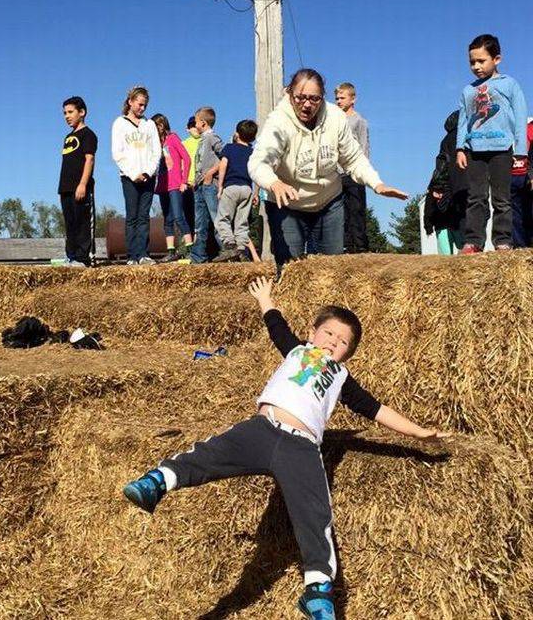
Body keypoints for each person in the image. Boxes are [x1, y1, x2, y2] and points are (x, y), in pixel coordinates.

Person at [123, 276, 449, 620]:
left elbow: (376, 409)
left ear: (347, 355)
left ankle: (318, 591)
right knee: (209, 454)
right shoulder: (297, 349)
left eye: (342, 343)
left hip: (302, 447)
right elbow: (276, 327)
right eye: (329, 334)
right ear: (313, 333)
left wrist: (418, 433)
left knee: (315, 514)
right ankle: (157, 482)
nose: (333, 343)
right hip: (262, 430)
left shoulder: (340, 377)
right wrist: (266, 299)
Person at [248, 68, 407, 270]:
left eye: (314, 99)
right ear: (290, 94)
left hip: (329, 203)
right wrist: (274, 183)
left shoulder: (335, 118)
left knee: (331, 270)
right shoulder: (278, 122)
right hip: (288, 205)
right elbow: (258, 162)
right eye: (300, 98)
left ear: (322, 97)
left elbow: (354, 158)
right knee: (290, 270)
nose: (306, 105)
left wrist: (377, 183)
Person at [455, 34, 528, 253]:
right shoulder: (468, 90)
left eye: (481, 61)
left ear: (496, 59)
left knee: (501, 199)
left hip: (501, 150)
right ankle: (474, 241)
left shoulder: (509, 84)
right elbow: (463, 120)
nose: (476, 66)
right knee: (476, 198)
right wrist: (460, 147)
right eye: (472, 62)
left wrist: (521, 151)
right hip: (474, 151)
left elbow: (520, 116)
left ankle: (503, 240)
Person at [111, 86, 161, 265]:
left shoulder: (150, 125)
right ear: (130, 102)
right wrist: (133, 174)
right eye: (139, 104)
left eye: (145, 106)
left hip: (148, 176)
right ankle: (132, 255)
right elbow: (117, 153)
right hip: (129, 177)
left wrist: (148, 171)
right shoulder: (120, 123)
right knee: (132, 215)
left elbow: (156, 151)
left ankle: (143, 254)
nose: (142, 108)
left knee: (144, 215)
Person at [58, 96, 98, 267]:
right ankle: (71, 256)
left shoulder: (88, 134)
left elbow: (89, 160)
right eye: (64, 113)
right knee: (70, 224)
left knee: (82, 223)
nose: (67, 116)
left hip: (80, 187)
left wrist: (82, 184)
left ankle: (83, 258)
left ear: (82, 112)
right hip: (65, 187)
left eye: (70, 112)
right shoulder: (68, 137)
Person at [423, 111, 468, 255]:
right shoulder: (469, 137)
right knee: (465, 245)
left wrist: (428, 224)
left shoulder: (446, 140)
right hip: (466, 190)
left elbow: (430, 201)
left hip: (445, 216)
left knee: (445, 255)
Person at [213, 119, 258, 262]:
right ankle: (241, 249)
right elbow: (257, 173)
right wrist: (255, 192)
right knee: (242, 222)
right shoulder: (253, 152)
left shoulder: (230, 148)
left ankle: (230, 245)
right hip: (246, 189)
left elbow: (223, 166)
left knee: (222, 219)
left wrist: (220, 187)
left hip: (231, 187)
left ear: (237, 134)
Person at [151, 113, 193, 262]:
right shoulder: (156, 144)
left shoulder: (173, 138)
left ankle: (190, 249)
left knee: (178, 216)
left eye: (155, 127)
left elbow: (186, 158)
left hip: (175, 184)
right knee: (167, 220)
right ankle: (171, 251)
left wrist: (184, 181)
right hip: (162, 185)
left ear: (161, 126)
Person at [334, 82, 370, 253]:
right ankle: (347, 245)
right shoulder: (335, 121)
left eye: (342, 97)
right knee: (342, 211)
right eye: (337, 98)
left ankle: (360, 245)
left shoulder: (359, 121)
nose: (338, 101)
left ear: (353, 99)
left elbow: (364, 146)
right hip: (337, 173)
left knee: (356, 209)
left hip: (355, 171)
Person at [190, 106, 224, 264]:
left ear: (203, 123)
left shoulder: (212, 137)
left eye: (196, 121)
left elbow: (225, 156)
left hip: (210, 185)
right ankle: (198, 256)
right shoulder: (202, 140)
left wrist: (211, 173)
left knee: (216, 218)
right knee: (200, 222)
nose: (194, 125)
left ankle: (227, 250)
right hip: (199, 186)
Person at [510, 117, 533, 248]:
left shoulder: (522, 129)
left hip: (516, 173)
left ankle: (520, 245)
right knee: (525, 212)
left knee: (517, 214)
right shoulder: (527, 129)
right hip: (523, 174)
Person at [181, 116, 200, 236]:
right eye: (192, 126)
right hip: (187, 185)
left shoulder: (206, 141)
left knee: (202, 217)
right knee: (188, 216)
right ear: (187, 128)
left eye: (196, 125)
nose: (195, 128)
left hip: (201, 184)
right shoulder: (183, 144)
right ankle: (191, 245)